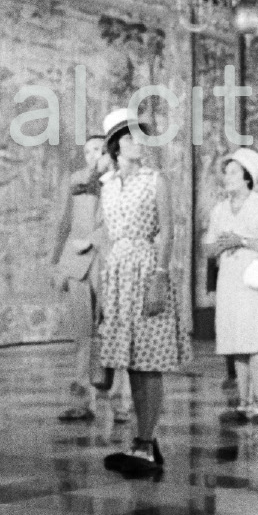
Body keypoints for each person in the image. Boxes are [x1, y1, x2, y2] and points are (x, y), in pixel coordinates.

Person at [98, 108, 190, 476]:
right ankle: (141, 439)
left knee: (148, 363)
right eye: (134, 136)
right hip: (118, 271)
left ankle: (146, 442)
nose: (142, 143)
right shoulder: (106, 183)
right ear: (120, 143)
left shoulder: (156, 180)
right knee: (131, 361)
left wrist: (159, 276)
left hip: (146, 266)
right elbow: (103, 229)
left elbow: (167, 231)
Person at [206, 148, 258, 422]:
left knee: (257, 342)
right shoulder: (219, 209)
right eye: (226, 172)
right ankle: (243, 400)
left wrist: (243, 241)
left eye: (233, 172)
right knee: (237, 342)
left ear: (247, 176)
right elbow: (209, 247)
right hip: (230, 279)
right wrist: (219, 245)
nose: (227, 177)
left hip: (257, 279)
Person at [51, 134, 109, 421]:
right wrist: (58, 264)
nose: (91, 155)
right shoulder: (76, 179)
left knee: (112, 330)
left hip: (104, 259)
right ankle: (82, 400)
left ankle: (121, 401)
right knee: (82, 334)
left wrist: (93, 239)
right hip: (76, 263)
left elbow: (118, 221)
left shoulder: (118, 180)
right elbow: (65, 221)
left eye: (97, 150)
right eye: (87, 151)